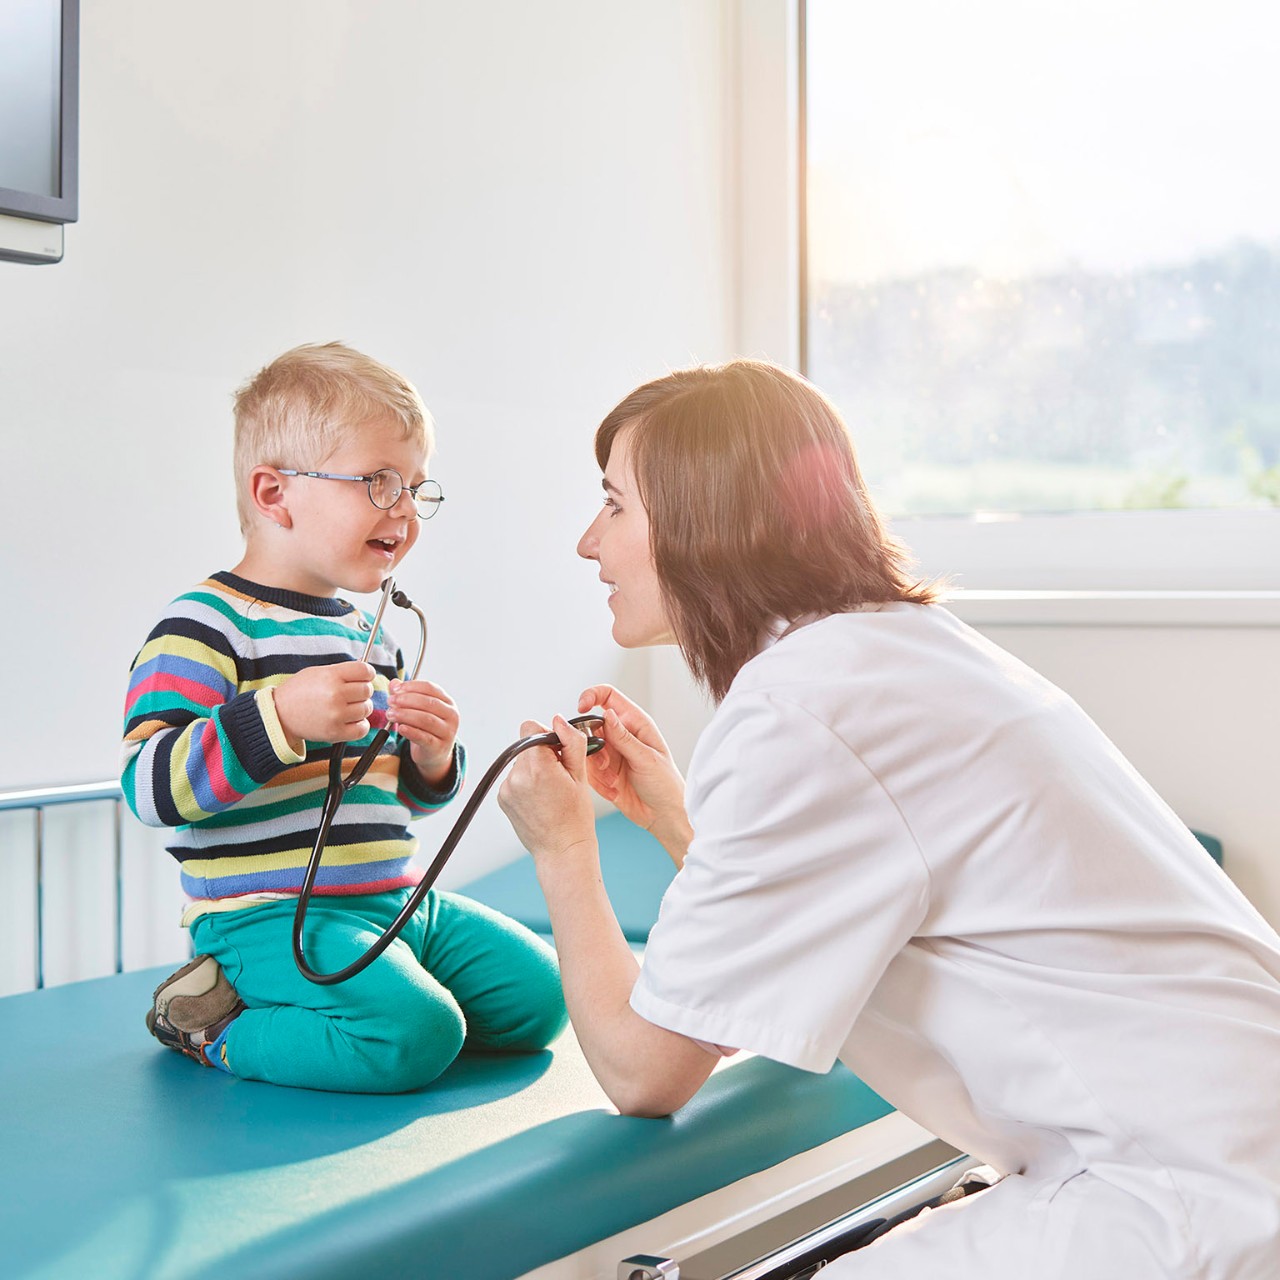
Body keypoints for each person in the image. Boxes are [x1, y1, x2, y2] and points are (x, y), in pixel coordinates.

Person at [497, 359, 1280, 1278]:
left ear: (707, 520)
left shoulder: (799, 709)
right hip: (1221, 1140)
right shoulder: (892, 651)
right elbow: (833, 893)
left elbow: (645, 1072)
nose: (591, 543)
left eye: (615, 506)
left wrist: (561, 845)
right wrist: (672, 814)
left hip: (1172, 1193)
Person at [122, 342, 566, 1093]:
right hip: (267, 918)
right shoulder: (204, 626)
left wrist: (432, 758)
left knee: (543, 1001)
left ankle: (366, 995)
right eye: (379, 482)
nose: (405, 511)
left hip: (395, 901)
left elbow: (393, 800)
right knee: (415, 1033)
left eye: (416, 488)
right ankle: (215, 1023)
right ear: (274, 494)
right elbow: (148, 785)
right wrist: (279, 717)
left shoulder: (373, 634)